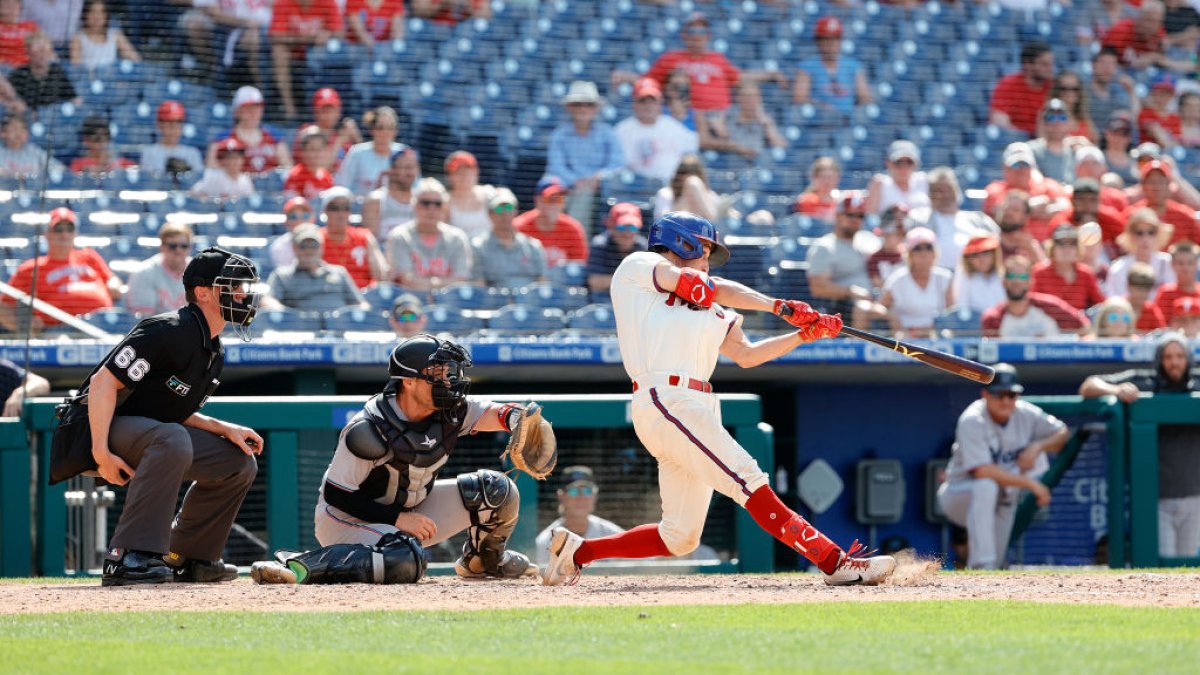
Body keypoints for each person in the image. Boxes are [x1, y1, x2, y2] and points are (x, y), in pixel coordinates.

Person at [541, 212, 896, 587]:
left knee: (679, 537)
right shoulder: (640, 266)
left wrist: (804, 336)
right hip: (666, 397)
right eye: (705, 248)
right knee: (747, 478)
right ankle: (833, 561)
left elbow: (748, 356)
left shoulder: (715, 308)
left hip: (696, 405)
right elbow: (700, 286)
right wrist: (782, 307)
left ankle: (577, 552)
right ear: (682, 242)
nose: (708, 257)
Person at [250, 334, 547, 584]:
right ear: (409, 382)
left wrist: (517, 419)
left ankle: (483, 561)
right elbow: (336, 494)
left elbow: (493, 412)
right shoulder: (369, 428)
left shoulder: (450, 409)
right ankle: (299, 565)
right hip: (346, 519)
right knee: (406, 560)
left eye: (449, 372)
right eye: (437, 374)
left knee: (498, 491)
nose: (448, 381)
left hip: (410, 509)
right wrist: (398, 520)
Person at [49, 247, 263, 586]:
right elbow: (103, 383)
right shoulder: (167, 328)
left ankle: (188, 557)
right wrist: (101, 454)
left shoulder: (213, 349)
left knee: (238, 460)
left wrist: (223, 428)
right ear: (203, 293)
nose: (242, 294)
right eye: (233, 286)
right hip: (94, 428)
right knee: (171, 437)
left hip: (146, 429)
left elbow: (171, 410)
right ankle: (129, 557)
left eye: (244, 287)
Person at [1080, 332, 1200, 557]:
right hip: (1155, 497)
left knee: (1186, 566)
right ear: (1159, 360)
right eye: (1168, 357)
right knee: (1161, 562)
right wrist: (1116, 391)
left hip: (1195, 496)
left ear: (1188, 360)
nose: (1174, 362)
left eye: (1179, 356)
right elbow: (1088, 386)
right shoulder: (1144, 381)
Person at [938, 364, 1068, 569]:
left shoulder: (1026, 413)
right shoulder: (973, 419)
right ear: (985, 394)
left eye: (1011, 394)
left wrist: (1038, 446)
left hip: (1004, 497)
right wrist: (1032, 485)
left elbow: (1062, 433)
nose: (1005, 400)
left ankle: (983, 582)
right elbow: (982, 471)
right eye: (998, 394)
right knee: (986, 485)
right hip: (959, 495)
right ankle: (981, 564)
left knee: (995, 562)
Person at [0, 207, 120, 333]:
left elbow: (112, 281)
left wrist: (114, 285)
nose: (65, 234)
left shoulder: (89, 257)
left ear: (75, 233)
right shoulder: (31, 268)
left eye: (70, 229)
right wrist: (24, 326)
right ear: (47, 234)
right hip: (59, 333)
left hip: (105, 328)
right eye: (58, 229)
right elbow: (3, 307)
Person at [546, 80, 625, 229]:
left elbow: (617, 163)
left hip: (599, 188)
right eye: (578, 104)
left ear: (596, 108)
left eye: (588, 104)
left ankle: (576, 244)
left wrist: (599, 177)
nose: (583, 108)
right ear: (570, 108)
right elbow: (555, 167)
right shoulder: (559, 135)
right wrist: (576, 182)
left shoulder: (608, 133)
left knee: (584, 195)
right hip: (564, 187)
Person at [806, 193, 888, 329]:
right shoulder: (824, 246)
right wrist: (851, 291)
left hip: (879, 299)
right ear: (838, 215)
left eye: (860, 215)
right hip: (844, 307)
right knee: (863, 308)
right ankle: (859, 347)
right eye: (850, 214)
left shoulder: (870, 239)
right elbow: (818, 287)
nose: (855, 219)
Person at [385, 178, 472, 290]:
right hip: (411, 301)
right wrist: (442, 285)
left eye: (437, 204)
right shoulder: (400, 236)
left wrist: (430, 285)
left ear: (445, 207)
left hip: (448, 303)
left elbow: (461, 280)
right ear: (414, 205)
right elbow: (407, 280)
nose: (431, 209)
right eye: (425, 203)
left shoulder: (457, 238)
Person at [905, 166, 999, 269]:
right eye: (939, 190)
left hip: (974, 276)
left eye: (948, 188)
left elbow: (999, 243)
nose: (945, 195)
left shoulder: (978, 219)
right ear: (930, 194)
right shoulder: (918, 218)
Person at [262, 225, 367, 312]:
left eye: (313, 245)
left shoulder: (339, 272)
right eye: (303, 246)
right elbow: (268, 300)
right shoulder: (283, 275)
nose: (309, 250)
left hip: (339, 331)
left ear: (321, 247)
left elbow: (360, 304)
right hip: (302, 332)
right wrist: (289, 317)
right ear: (294, 248)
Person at [534, 466, 624, 567]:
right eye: (574, 491)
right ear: (561, 496)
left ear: (595, 496)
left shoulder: (613, 535)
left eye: (588, 491)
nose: (581, 498)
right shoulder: (545, 542)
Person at [981, 255, 1090, 338]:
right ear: (1003, 281)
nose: (1017, 281)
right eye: (1012, 275)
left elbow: (1084, 327)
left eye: (1023, 276)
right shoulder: (993, 318)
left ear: (1030, 282)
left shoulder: (1050, 307)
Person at [615, 77, 699, 183]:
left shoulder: (673, 126)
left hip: (672, 187)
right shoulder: (622, 130)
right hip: (637, 187)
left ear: (660, 103)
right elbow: (619, 168)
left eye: (652, 101)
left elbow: (692, 152)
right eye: (643, 101)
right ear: (634, 103)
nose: (648, 106)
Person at [269, 0, 343, 120]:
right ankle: (289, 108)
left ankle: (322, 108)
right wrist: (307, 39)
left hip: (317, 50)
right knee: (279, 52)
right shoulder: (283, 3)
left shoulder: (328, 3)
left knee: (327, 50)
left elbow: (339, 32)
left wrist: (328, 34)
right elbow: (276, 36)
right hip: (293, 50)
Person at [982, 142, 1069, 242]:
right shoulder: (995, 189)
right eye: (1015, 165)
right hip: (1009, 249)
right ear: (1005, 168)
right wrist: (1030, 208)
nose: (1021, 169)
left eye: (1025, 164)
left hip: (1046, 246)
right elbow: (999, 211)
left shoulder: (1047, 186)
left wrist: (1051, 208)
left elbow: (1066, 206)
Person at [880, 228, 954, 337]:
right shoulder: (898, 278)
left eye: (928, 248)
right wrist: (893, 319)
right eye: (917, 248)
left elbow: (951, 312)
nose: (923, 253)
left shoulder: (944, 277)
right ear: (909, 254)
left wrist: (932, 329)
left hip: (937, 334)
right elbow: (880, 307)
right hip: (905, 335)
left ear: (934, 253)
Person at [792, 15, 872, 115]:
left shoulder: (853, 66)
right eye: (826, 38)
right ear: (817, 41)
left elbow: (866, 98)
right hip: (818, 121)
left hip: (847, 121)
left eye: (835, 38)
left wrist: (853, 113)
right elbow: (799, 99)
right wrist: (821, 107)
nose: (831, 43)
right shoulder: (807, 67)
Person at [471, 187, 546, 288]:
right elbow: (479, 285)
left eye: (509, 208)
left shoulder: (533, 247)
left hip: (529, 301)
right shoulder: (478, 247)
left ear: (515, 211)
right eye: (499, 208)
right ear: (489, 214)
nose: (504, 213)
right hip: (496, 302)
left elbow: (543, 282)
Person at [207, 86, 291, 174]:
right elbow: (212, 170)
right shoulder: (222, 139)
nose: (253, 112)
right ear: (237, 111)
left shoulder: (275, 137)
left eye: (257, 107)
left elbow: (287, 168)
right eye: (248, 108)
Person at [698, 80, 786, 164]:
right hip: (730, 163)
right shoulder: (726, 116)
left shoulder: (765, 120)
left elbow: (781, 146)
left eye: (753, 96)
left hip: (755, 167)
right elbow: (704, 137)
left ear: (759, 99)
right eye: (746, 96)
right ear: (738, 98)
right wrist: (722, 133)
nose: (750, 100)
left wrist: (767, 125)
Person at [318, 186, 388, 289]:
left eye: (346, 208)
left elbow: (381, 275)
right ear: (325, 211)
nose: (341, 214)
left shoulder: (364, 236)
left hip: (364, 297)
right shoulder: (317, 238)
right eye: (334, 208)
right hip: (330, 295)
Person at [513, 176, 589, 266]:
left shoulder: (573, 229)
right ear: (537, 200)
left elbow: (579, 267)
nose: (555, 205)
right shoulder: (519, 227)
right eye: (550, 199)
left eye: (559, 199)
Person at [1031, 224, 1107, 311]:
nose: (1066, 248)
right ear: (1052, 247)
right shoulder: (1039, 273)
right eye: (1061, 243)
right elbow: (1031, 303)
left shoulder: (1085, 273)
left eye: (1072, 243)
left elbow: (1101, 304)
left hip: (1079, 323)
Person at [1125, 160, 1200, 247]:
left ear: (1168, 185)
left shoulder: (1185, 215)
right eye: (1151, 182)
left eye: (1161, 182)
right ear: (1143, 186)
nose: (1156, 187)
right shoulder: (1131, 215)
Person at [1105, 208, 1176, 298]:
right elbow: (1116, 304)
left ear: (1158, 235)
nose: (1145, 238)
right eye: (1139, 233)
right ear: (1131, 236)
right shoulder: (1119, 268)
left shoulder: (1169, 263)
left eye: (1151, 232)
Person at [124, 222, 192, 315]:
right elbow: (144, 320)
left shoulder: (201, 272)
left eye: (184, 246)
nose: (178, 250)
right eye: (172, 246)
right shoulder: (144, 273)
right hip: (158, 328)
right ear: (162, 247)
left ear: (190, 248)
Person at [335, 107, 405, 196]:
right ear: (372, 129)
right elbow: (342, 186)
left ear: (396, 131)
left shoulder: (404, 153)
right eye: (380, 127)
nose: (385, 132)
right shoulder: (357, 152)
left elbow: (415, 186)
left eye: (390, 127)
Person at [989, 41, 1054, 135]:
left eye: (1051, 64)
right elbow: (999, 120)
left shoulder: (1054, 86)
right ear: (1027, 64)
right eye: (1044, 64)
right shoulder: (1008, 84)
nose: (1050, 69)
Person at [587, 202, 648, 296]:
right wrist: (632, 281)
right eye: (622, 227)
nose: (627, 233)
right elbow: (595, 282)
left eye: (632, 227)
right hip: (604, 300)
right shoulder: (600, 244)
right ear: (611, 227)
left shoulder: (643, 247)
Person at [8, 30, 78, 110]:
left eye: (45, 49)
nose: (42, 54)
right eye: (38, 50)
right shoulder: (19, 75)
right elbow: (11, 101)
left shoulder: (57, 71)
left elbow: (73, 98)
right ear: (28, 52)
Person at [362, 146, 418, 241]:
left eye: (413, 167)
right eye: (406, 168)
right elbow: (371, 243)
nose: (410, 172)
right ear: (392, 170)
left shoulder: (423, 202)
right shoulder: (376, 201)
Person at [139, 100, 204, 178]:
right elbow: (148, 183)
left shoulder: (192, 153)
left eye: (178, 124)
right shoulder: (149, 152)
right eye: (170, 124)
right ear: (159, 125)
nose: (174, 129)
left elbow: (199, 182)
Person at [69, 0, 140, 71]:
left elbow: (135, 58)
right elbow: (76, 68)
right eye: (93, 11)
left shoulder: (116, 35)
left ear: (106, 16)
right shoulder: (77, 39)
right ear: (85, 14)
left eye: (101, 12)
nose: (97, 16)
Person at [864, 140, 930, 216]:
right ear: (888, 163)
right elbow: (870, 218)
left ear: (916, 164)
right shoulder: (880, 183)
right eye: (898, 163)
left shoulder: (924, 180)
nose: (904, 167)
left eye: (909, 162)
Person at [653, 153, 723, 222]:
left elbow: (718, 218)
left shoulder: (710, 195)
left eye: (692, 173)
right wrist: (684, 200)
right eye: (684, 173)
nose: (687, 179)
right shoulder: (666, 193)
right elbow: (661, 221)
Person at [444, 150, 494, 241]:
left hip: (490, 252)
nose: (465, 176)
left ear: (477, 172)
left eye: (468, 170)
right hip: (460, 253)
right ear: (450, 176)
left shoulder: (490, 195)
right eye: (459, 172)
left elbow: (508, 210)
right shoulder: (444, 203)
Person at [1086, 47, 1138, 134]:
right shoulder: (1083, 92)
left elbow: (1133, 117)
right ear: (1093, 66)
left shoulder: (1117, 94)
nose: (1107, 68)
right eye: (1103, 63)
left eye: (1112, 64)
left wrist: (1131, 91)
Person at [1027, 99, 1078, 184]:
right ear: (1043, 123)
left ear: (1069, 122)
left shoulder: (1076, 151)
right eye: (1051, 118)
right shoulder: (1031, 150)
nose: (1057, 123)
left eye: (1062, 118)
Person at [993, 190, 1048, 266]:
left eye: (1015, 210)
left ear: (1025, 217)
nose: (1008, 212)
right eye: (1005, 208)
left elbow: (1044, 269)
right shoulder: (989, 239)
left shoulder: (1029, 244)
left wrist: (1031, 249)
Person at [954, 235, 1006, 315]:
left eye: (986, 253)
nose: (981, 259)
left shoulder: (1005, 275)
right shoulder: (965, 276)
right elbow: (962, 308)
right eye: (975, 255)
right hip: (973, 324)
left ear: (995, 254)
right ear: (967, 259)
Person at [190, 137, 255, 199]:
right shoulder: (213, 176)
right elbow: (192, 194)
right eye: (229, 158)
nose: (233, 162)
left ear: (242, 159)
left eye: (236, 157)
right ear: (221, 160)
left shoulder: (245, 180)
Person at [69, 115, 135, 176]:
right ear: (86, 140)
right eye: (97, 139)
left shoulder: (125, 164)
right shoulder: (78, 166)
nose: (104, 143)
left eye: (107, 138)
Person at [1153, 240, 1200, 324]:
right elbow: (1161, 326)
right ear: (1172, 264)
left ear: (1197, 264)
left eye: (1190, 263)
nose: (1185, 268)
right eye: (1180, 263)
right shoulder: (1165, 293)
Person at [283, 125, 333, 200]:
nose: (317, 153)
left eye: (320, 148)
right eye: (312, 149)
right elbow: (292, 206)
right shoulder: (295, 176)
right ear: (302, 151)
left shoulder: (327, 176)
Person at [867, 206, 906, 291]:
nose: (900, 237)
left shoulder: (907, 256)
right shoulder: (874, 258)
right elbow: (878, 284)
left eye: (901, 233)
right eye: (896, 233)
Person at [1050, 71, 1097, 142]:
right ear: (1057, 91)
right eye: (1064, 88)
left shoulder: (1084, 117)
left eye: (1074, 88)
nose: (1069, 92)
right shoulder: (1048, 115)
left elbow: (1095, 141)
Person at [791, 156, 840, 223]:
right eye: (823, 177)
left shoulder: (841, 201)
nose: (827, 181)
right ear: (814, 178)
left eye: (830, 177)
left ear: (837, 178)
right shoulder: (805, 201)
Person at [269, 196, 314, 268]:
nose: (299, 220)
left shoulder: (323, 238)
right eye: (293, 216)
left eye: (305, 216)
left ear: (312, 218)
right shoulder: (279, 246)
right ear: (286, 221)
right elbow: (288, 276)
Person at [1138, 73, 1181, 148]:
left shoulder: (1174, 117)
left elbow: (1177, 141)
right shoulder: (1145, 113)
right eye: (1159, 93)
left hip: (1167, 155)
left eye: (1167, 93)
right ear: (1152, 93)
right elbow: (1160, 138)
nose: (1162, 97)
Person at [1126, 262, 1169, 333]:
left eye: (1147, 288)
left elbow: (1162, 334)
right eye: (1138, 287)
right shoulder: (1118, 308)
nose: (1142, 293)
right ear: (1129, 286)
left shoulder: (1152, 310)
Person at [0, 0, 37, 67]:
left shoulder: (30, 26)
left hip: (26, 67)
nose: (11, 8)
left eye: (14, 4)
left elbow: (41, 46)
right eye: (6, 4)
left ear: (20, 7)